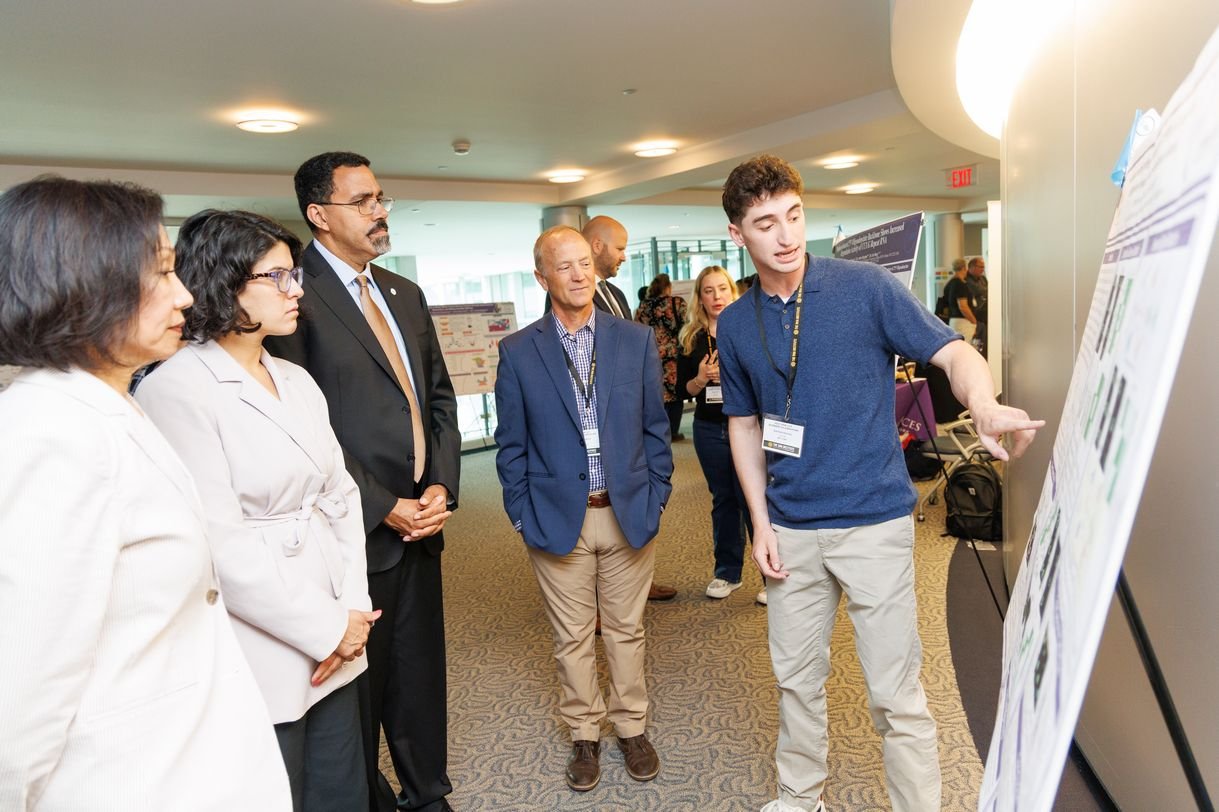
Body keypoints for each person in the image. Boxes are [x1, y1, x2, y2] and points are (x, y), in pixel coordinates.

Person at [715, 155, 1043, 812]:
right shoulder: (733, 322)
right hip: (791, 530)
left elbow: (952, 352)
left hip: (872, 524)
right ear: (737, 234)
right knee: (795, 682)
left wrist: (978, 401)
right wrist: (759, 523)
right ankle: (799, 797)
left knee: (895, 693)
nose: (784, 237)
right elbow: (745, 427)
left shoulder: (864, 287)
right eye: (764, 224)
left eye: (793, 216)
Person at [0, 177, 292, 809]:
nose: (186, 293)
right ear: (84, 284)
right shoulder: (46, 433)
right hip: (125, 781)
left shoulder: (112, 405)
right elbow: (22, 696)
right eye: (162, 274)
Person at [135, 210, 377, 811]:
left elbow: (341, 496)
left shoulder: (293, 377)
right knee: (278, 785)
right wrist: (323, 628)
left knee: (342, 783)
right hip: (261, 630)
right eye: (278, 278)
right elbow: (219, 542)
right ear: (224, 282)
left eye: (295, 276)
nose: (296, 291)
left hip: (333, 614)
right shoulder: (176, 388)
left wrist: (348, 613)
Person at [264, 152, 461, 812]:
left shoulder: (403, 292)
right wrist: (384, 506)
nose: (380, 211)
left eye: (381, 198)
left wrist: (439, 487)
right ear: (319, 215)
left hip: (422, 524)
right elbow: (298, 427)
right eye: (362, 201)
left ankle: (428, 794)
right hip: (349, 533)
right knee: (357, 690)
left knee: (419, 676)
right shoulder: (293, 297)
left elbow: (438, 399)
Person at [493, 226, 673, 794]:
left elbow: (655, 429)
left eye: (584, 263)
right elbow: (511, 446)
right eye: (564, 267)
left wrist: (658, 493)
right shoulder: (519, 351)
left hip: (627, 510)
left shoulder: (634, 340)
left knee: (626, 629)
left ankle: (632, 726)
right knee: (572, 636)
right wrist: (522, 515)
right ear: (543, 278)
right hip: (555, 516)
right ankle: (583, 734)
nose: (579, 275)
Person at [676, 265, 756, 602]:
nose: (716, 296)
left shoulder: (750, 327)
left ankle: (773, 576)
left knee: (753, 498)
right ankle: (727, 573)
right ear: (700, 298)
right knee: (724, 499)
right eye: (708, 291)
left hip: (749, 426)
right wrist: (701, 377)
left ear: (732, 291)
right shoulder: (692, 337)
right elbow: (684, 390)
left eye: (722, 288)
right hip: (710, 427)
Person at [635, 273, 688, 441]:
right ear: (668, 287)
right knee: (675, 392)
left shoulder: (643, 306)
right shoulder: (676, 302)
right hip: (674, 355)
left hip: (650, 353)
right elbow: (688, 325)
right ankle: (673, 431)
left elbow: (636, 328)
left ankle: (659, 430)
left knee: (658, 392)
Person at [942, 257, 978, 346]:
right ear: (964, 268)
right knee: (966, 347)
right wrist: (974, 321)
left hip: (953, 321)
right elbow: (963, 307)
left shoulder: (949, 284)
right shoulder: (960, 285)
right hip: (963, 322)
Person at [966, 256, 989, 356]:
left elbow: (987, 291)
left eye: (983, 267)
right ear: (972, 267)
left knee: (984, 344)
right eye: (980, 267)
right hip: (972, 318)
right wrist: (984, 291)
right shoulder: (965, 279)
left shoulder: (983, 279)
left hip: (985, 317)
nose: (983, 269)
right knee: (974, 345)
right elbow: (977, 290)